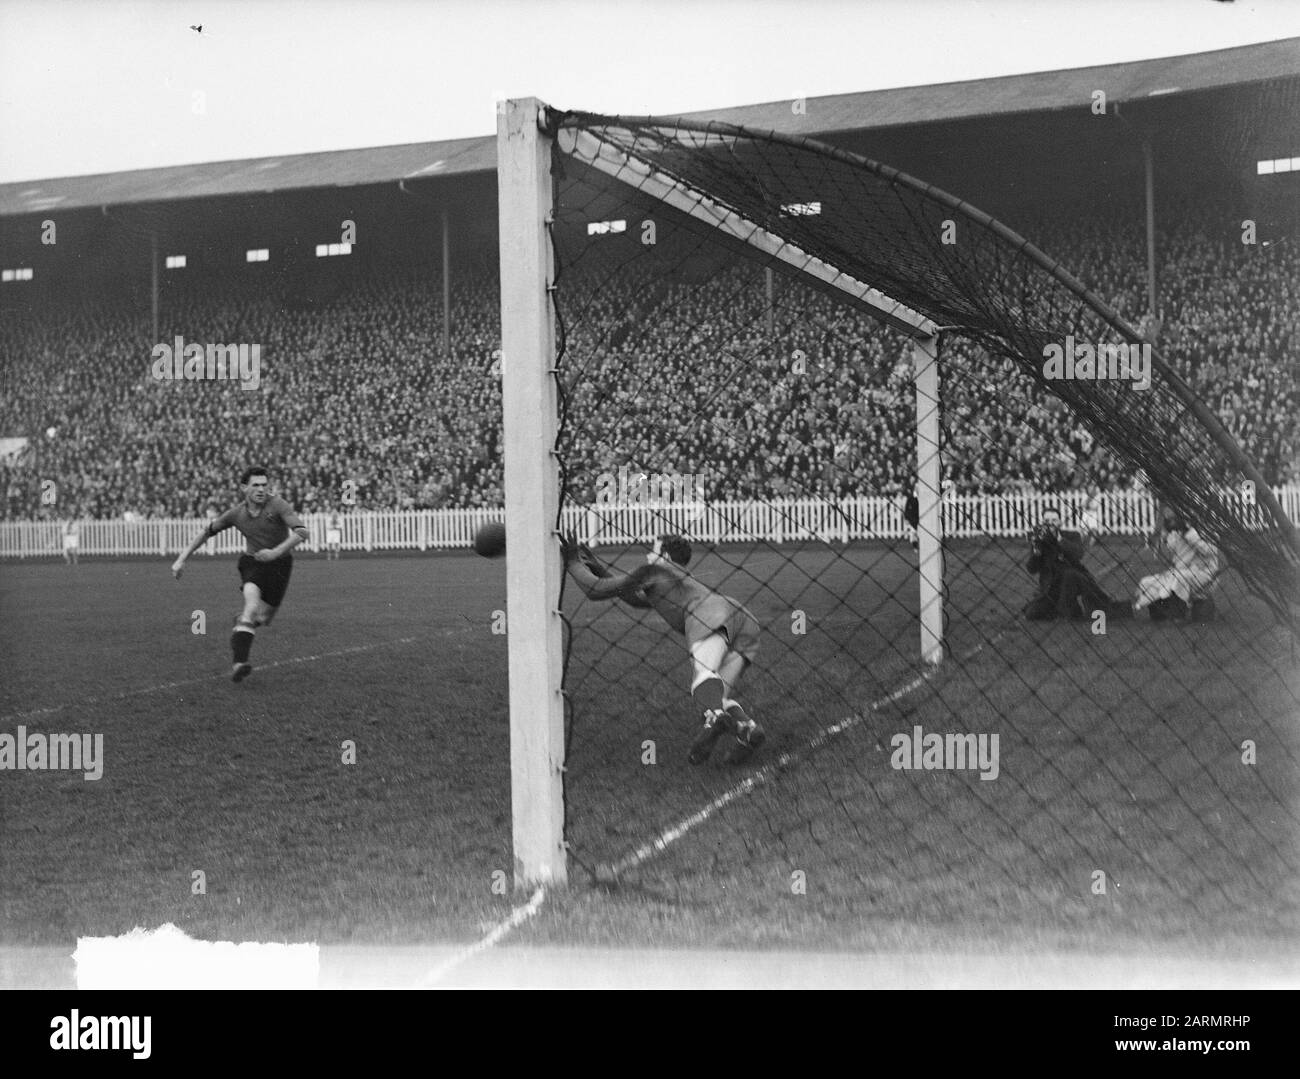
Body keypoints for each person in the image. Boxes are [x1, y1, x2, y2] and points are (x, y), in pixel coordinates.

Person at [562, 533, 766, 765]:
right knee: (715, 695)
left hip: (710, 614)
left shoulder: (653, 572)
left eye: (653, 550)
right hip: (745, 621)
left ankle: (716, 720)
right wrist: (596, 567)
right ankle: (748, 730)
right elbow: (631, 597)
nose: (649, 554)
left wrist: (572, 562)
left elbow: (595, 591)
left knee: (703, 682)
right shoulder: (680, 579)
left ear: (665, 555)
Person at [171, 467, 309, 681]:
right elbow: (206, 532)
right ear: (244, 487)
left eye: (264, 484)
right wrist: (181, 559)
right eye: (256, 485)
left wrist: (275, 552)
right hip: (253, 563)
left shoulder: (278, 504)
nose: (262, 489)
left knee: (264, 617)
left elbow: (302, 531)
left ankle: (242, 623)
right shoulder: (236, 514)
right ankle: (239, 663)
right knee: (252, 606)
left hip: (280, 564)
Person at [1022, 507, 1128, 621]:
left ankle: (1067, 609)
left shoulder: (1072, 535)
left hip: (1072, 581)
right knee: (1031, 614)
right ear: (1042, 522)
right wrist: (1037, 552)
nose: (1050, 523)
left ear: (1059, 522)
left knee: (1069, 576)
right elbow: (1031, 569)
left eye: (1054, 520)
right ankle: (1063, 610)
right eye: (1047, 520)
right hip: (1051, 586)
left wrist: (1059, 539)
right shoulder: (1039, 540)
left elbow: (1078, 554)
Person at [1134, 507, 1222, 621]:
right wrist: (1168, 531)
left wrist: (1189, 531)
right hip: (1182, 573)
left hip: (1205, 574)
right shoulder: (1179, 533)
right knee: (1147, 581)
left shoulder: (1208, 532)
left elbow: (1208, 551)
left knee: (1178, 579)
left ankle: (1178, 615)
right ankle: (1158, 611)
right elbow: (1171, 547)